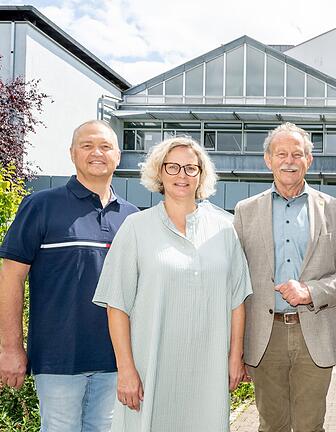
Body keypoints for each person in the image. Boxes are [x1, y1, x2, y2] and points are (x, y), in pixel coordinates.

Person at [92, 136, 252, 431]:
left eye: (191, 168)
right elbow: (117, 305)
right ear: (159, 172)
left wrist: (235, 357)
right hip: (149, 368)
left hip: (207, 370)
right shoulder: (136, 228)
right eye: (173, 167)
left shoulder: (225, 228)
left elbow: (237, 301)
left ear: (202, 175)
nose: (182, 175)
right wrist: (126, 370)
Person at [0, 120, 138, 432]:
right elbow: (10, 278)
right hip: (58, 358)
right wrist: (10, 348)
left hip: (116, 361)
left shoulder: (132, 218)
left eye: (105, 146)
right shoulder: (40, 206)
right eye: (87, 145)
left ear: (118, 156)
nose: (96, 153)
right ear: (72, 153)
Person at [233, 122, 336, 432]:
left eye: (296, 153)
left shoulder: (333, 210)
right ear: (268, 160)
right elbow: (234, 281)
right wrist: (233, 347)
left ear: (309, 160)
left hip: (313, 334)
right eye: (281, 154)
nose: (288, 160)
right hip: (264, 336)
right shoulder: (245, 210)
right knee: (271, 426)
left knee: (310, 427)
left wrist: (310, 291)